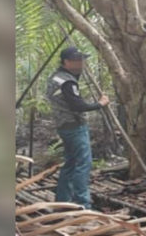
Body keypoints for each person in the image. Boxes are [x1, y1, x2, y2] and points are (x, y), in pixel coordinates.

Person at [46, 46, 110, 209]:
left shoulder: (58, 77)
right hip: (74, 126)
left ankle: (62, 201)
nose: (81, 63)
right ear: (66, 62)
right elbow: (77, 106)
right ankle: (83, 203)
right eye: (77, 60)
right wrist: (100, 104)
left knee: (71, 163)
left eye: (81, 60)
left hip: (64, 125)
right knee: (83, 163)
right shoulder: (67, 81)